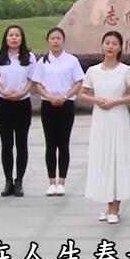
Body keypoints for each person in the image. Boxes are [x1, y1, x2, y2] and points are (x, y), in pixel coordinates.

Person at [80, 31, 130, 224]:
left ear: (120, 47)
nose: (110, 46)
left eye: (114, 43)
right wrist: (96, 100)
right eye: (107, 43)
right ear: (102, 45)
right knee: (103, 158)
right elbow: (82, 93)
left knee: (117, 159)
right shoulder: (93, 71)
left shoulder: (125, 71)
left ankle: (115, 206)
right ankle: (108, 204)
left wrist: (116, 101)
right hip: (101, 118)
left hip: (117, 117)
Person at [32, 27, 84, 196]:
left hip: (66, 105)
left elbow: (78, 82)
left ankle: (61, 181)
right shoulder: (42, 62)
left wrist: (65, 96)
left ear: (63, 40)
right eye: (52, 38)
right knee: (50, 143)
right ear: (48, 41)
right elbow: (37, 83)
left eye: (58, 38)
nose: (55, 41)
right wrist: (49, 96)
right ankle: (51, 182)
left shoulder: (71, 61)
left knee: (63, 143)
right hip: (48, 105)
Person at [0, 24, 36, 198]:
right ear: (6, 38)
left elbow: (32, 79)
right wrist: (3, 92)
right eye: (11, 35)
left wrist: (22, 92)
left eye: (17, 35)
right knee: (6, 144)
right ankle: (8, 181)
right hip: (3, 103)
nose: (14, 38)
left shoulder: (29, 57)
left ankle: (19, 181)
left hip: (22, 103)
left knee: (21, 143)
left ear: (22, 38)